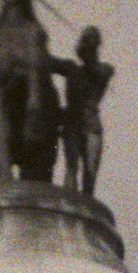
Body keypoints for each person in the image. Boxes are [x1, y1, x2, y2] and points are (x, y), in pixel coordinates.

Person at [51, 26, 113, 196]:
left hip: (91, 125)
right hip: (72, 122)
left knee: (90, 175)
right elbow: (50, 62)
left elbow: (96, 73)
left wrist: (85, 52)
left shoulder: (105, 69)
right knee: (71, 168)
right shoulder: (72, 68)